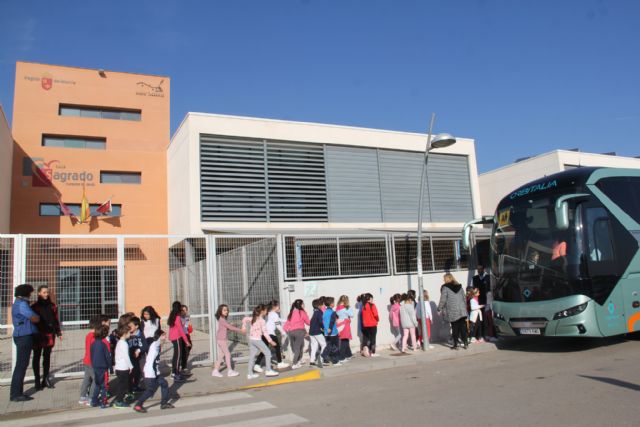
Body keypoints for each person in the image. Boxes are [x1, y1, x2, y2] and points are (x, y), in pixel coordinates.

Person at [10, 284, 40, 402]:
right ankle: (16, 394)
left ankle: (16, 392)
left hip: (20, 335)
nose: (30, 295)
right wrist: (36, 316)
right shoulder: (22, 304)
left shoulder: (17, 303)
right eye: (30, 293)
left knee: (20, 365)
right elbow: (34, 318)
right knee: (21, 365)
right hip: (24, 336)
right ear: (25, 293)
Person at [133, 329, 175, 413]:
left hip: (155, 371)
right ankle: (138, 404)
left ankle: (164, 403)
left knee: (164, 383)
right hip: (150, 371)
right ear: (158, 336)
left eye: (164, 335)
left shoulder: (157, 345)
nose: (164, 337)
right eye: (163, 335)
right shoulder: (154, 345)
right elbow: (152, 342)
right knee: (150, 390)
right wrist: (139, 350)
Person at [31, 284, 62, 390]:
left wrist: (58, 332)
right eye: (44, 292)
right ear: (39, 293)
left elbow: (56, 319)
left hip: (49, 334)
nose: (46, 294)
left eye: (47, 292)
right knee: (36, 356)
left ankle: (45, 378)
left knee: (47, 357)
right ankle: (36, 380)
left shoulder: (52, 306)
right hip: (38, 334)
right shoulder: (35, 307)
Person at [79, 315, 110, 405]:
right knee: (95, 381)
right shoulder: (94, 336)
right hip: (93, 361)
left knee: (86, 379)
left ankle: (82, 397)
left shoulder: (88, 335)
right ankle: (91, 398)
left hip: (86, 361)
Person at [246, 305, 279, 379]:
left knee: (252, 356)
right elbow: (265, 332)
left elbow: (244, 319)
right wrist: (271, 341)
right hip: (257, 340)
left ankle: (249, 374)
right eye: (266, 310)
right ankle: (268, 370)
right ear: (262, 311)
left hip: (251, 339)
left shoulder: (253, 318)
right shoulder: (262, 321)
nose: (267, 311)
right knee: (268, 353)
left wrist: (243, 326)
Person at [212, 304, 245, 377]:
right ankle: (230, 371)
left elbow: (226, 327)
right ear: (220, 311)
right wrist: (241, 330)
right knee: (227, 354)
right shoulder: (222, 319)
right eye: (224, 310)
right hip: (221, 340)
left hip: (220, 339)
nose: (226, 311)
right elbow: (230, 327)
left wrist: (229, 325)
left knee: (221, 356)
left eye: (227, 310)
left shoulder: (222, 319)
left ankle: (215, 370)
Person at [437, 273, 468, 350]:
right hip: (462, 310)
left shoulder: (445, 287)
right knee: (463, 327)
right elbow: (464, 298)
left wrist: (439, 308)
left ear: (447, 279)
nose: (443, 280)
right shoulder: (459, 286)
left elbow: (443, 299)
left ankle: (456, 344)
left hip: (453, 311)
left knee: (455, 328)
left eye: (444, 279)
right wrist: (465, 308)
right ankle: (465, 343)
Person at [256, 300, 288, 370]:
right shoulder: (274, 314)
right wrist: (283, 332)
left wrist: (287, 320)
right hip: (270, 333)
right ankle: (280, 363)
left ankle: (257, 364)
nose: (279, 307)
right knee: (277, 348)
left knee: (264, 349)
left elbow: (278, 320)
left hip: (264, 333)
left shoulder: (269, 313)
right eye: (278, 305)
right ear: (275, 307)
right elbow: (277, 325)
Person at [90, 324, 112, 408]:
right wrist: (110, 367)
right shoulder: (104, 345)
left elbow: (91, 355)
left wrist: (93, 364)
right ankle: (104, 402)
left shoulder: (93, 343)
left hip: (95, 367)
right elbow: (108, 357)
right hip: (103, 368)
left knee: (97, 385)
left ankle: (94, 401)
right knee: (104, 386)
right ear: (104, 334)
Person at [168, 301, 190, 381]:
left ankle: (174, 373)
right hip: (177, 338)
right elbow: (181, 330)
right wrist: (186, 341)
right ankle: (176, 374)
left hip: (174, 337)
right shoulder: (177, 317)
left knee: (176, 356)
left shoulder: (172, 315)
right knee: (178, 356)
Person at [285, 299, 310, 369]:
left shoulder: (292, 312)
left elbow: (287, 324)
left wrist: (286, 332)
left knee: (299, 347)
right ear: (301, 305)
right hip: (299, 332)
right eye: (303, 304)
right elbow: (308, 322)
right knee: (298, 348)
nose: (304, 305)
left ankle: (298, 361)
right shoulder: (302, 312)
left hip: (291, 332)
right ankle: (294, 363)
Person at [113, 325, 133, 409]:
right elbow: (126, 356)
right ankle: (119, 401)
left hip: (119, 367)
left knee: (121, 385)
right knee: (122, 386)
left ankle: (119, 400)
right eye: (129, 333)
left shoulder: (119, 343)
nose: (130, 334)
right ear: (125, 334)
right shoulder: (124, 344)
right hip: (123, 368)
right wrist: (131, 366)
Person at [321, 297, 341, 365]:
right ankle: (335, 361)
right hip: (333, 332)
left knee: (329, 346)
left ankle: (324, 357)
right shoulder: (332, 312)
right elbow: (332, 321)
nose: (334, 303)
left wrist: (326, 329)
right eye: (333, 302)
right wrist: (329, 328)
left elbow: (323, 321)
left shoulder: (325, 312)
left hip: (327, 332)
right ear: (331, 304)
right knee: (335, 347)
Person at [127, 316, 144, 394]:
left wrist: (139, 350)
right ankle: (129, 389)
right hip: (129, 357)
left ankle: (135, 386)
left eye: (131, 326)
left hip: (137, 357)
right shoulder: (127, 334)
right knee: (130, 374)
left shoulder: (140, 334)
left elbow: (144, 345)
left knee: (137, 372)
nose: (129, 327)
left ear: (136, 326)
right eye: (128, 326)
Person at [308, 298, 326, 368]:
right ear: (319, 306)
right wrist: (324, 328)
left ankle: (312, 362)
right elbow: (321, 322)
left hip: (311, 332)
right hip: (317, 331)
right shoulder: (319, 312)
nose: (322, 306)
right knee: (324, 344)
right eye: (322, 305)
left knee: (314, 346)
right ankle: (321, 359)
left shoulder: (315, 312)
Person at [336, 295, 355, 360]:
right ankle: (342, 357)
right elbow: (352, 315)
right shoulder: (346, 308)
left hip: (339, 324)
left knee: (345, 339)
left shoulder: (337, 308)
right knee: (345, 340)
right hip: (345, 324)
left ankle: (349, 354)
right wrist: (349, 308)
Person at [180, 305, 192, 374]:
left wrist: (190, 325)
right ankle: (183, 367)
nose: (184, 311)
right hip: (182, 335)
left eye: (185, 310)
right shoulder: (179, 318)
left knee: (189, 347)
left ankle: (183, 365)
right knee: (185, 351)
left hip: (187, 334)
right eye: (182, 310)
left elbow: (188, 326)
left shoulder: (187, 317)